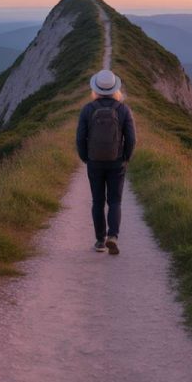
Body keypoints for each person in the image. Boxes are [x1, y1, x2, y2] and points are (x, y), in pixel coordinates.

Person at [76, 69, 136, 255]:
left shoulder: (87, 109)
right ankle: (113, 236)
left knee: (97, 201)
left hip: (94, 162)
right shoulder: (123, 109)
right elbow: (132, 138)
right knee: (115, 201)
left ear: (96, 89)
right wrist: (126, 157)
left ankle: (100, 241)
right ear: (115, 89)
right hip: (117, 161)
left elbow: (80, 138)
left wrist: (85, 157)